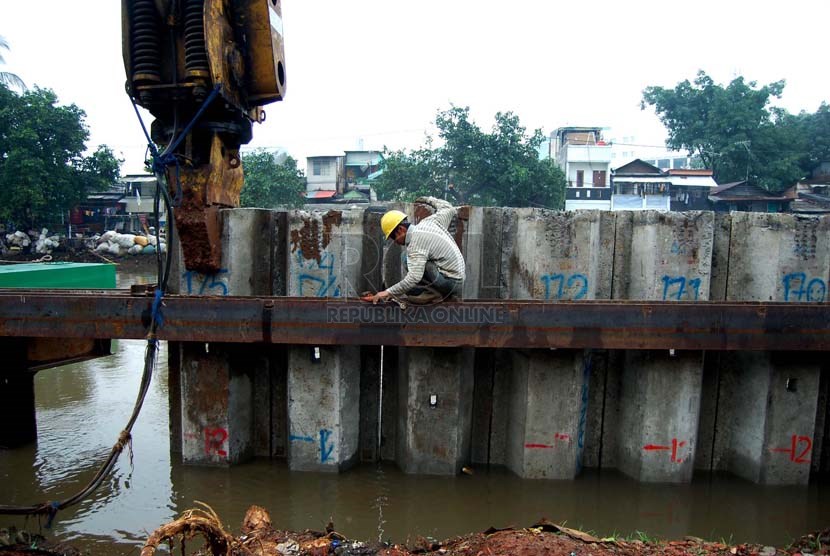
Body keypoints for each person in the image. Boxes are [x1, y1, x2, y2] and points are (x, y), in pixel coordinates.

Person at [370, 197, 465, 304]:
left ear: (401, 230)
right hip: (457, 280)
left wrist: (388, 292)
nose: (395, 242)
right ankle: (434, 292)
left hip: (450, 282)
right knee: (410, 289)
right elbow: (448, 208)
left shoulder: (416, 243)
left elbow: (414, 277)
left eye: (393, 238)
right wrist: (427, 199)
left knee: (406, 259)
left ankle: (433, 293)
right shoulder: (429, 222)